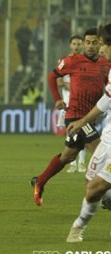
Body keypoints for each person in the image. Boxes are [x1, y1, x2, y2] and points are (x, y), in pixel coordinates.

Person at [30, 28, 111, 207]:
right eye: (87, 42)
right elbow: (52, 77)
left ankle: (40, 181)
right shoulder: (72, 61)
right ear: (83, 43)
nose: (90, 46)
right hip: (75, 117)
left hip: (90, 118)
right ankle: (105, 197)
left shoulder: (106, 64)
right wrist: (58, 99)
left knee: (68, 156)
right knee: (101, 152)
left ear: (100, 44)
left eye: (94, 42)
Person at [66, 23, 111, 242]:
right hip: (107, 138)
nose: (100, 49)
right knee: (90, 184)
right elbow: (106, 99)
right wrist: (82, 120)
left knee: (95, 188)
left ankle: (77, 227)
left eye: (102, 44)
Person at [56, 35, 87, 173]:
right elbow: (59, 81)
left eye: (79, 44)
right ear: (70, 45)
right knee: (70, 133)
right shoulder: (63, 61)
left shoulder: (86, 62)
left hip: (82, 103)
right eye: (74, 43)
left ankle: (81, 163)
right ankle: (73, 163)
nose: (76, 46)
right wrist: (74, 85)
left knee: (83, 132)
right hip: (67, 104)